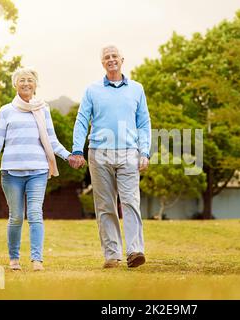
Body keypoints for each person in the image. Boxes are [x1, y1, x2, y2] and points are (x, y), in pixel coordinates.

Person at [0, 67, 75, 271]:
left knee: (35, 213)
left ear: (35, 85)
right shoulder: (6, 110)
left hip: (38, 171)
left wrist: (68, 156)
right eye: (22, 80)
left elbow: (51, 140)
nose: (26, 83)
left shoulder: (42, 110)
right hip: (11, 173)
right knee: (16, 216)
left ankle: (37, 259)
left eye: (30, 80)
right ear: (15, 84)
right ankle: (14, 259)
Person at [70, 45, 151, 268]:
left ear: (122, 59)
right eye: (107, 57)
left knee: (130, 201)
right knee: (106, 205)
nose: (111, 59)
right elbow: (81, 120)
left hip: (129, 152)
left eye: (114, 56)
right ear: (102, 63)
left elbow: (143, 123)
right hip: (99, 153)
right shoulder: (92, 90)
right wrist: (77, 149)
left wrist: (144, 151)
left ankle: (135, 251)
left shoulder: (137, 89)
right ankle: (112, 254)